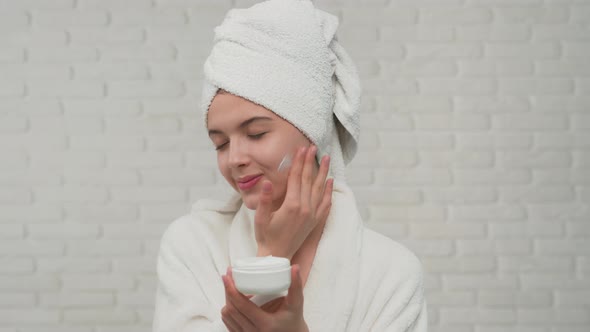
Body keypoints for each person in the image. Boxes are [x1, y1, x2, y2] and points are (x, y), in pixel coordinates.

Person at [153, 0, 427, 331]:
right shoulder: (192, 245)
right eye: (220, 143)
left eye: (256, 133)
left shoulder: (391, 273)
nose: (235, 158)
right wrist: (272, 256)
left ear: (313, 131)